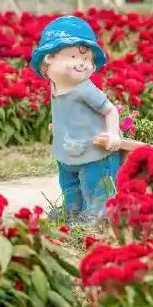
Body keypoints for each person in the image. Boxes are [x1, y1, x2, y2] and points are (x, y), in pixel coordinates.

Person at [30, 16, 122, 225]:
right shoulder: (55, 86)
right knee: (69, 183)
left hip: (95, 151)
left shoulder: (85, 89)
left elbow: (110, 111)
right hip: (67, 149)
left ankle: (97, 214)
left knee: (95, 184)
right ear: (48, 59)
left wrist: (113, 134)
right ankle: (73, 210)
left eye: (86, 59)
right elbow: (65, 110)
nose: (81, 64)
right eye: (72, 57)